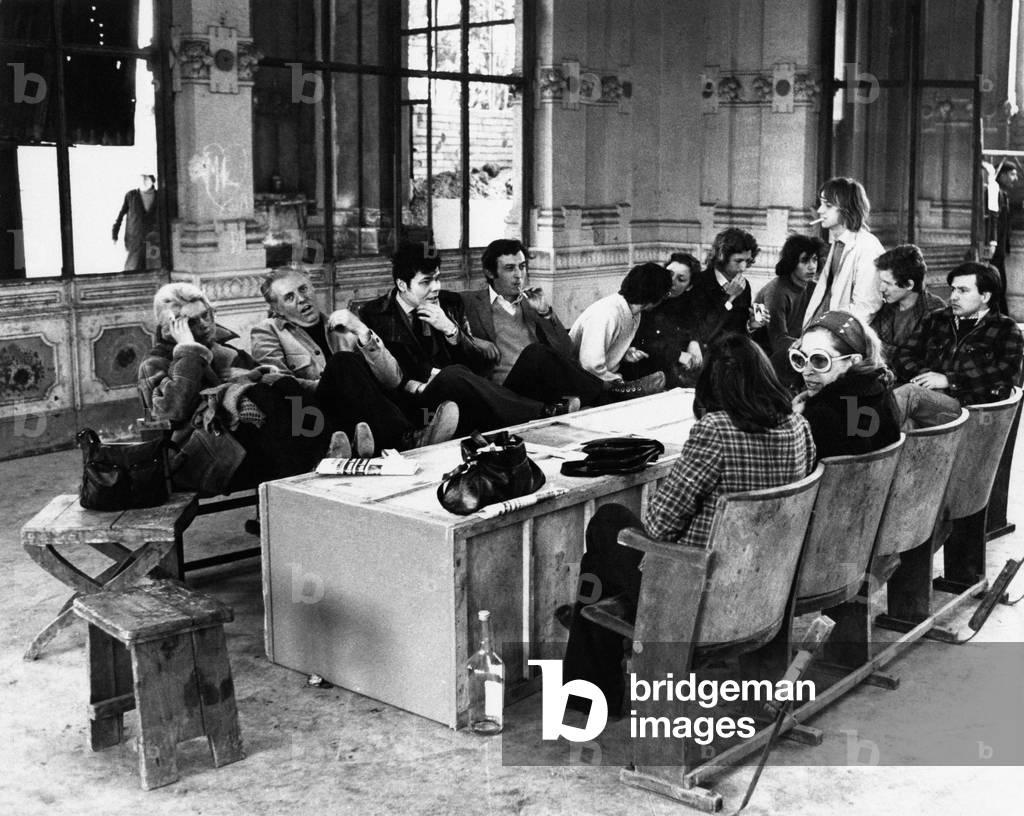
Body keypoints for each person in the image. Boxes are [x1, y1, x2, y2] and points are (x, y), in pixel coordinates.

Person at [560, 334, 817, 712]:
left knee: (608, 523)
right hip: (767, 588)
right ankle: (588, 661)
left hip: (699, 594)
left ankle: (593, 683)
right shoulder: (798, 427)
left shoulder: (715, 429)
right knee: (598, 565)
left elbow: (658, 526)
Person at [138, 282, 329, 496]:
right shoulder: (154, 364)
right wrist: (188, 351)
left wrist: (252, 375)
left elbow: (276, 385)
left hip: (251, 448)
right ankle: (318, 462)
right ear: (170, 328)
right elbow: (173, 410)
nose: (204, 325)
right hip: (203, 458)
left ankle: (318, 461)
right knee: (262, 396)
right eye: (191, 321)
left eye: (206, 315)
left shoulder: (225, 351)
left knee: (283, 385)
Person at [360, 242, 561, 434]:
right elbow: (383, 374)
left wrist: (451, 330)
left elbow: (477, 365)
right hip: (413, 401)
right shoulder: (375, 314)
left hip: (454, 394)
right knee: (451, 373)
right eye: (426, 282)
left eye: (437, 278)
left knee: (534, 354)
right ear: (402, 285)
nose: (436, 287)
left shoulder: (450, 303)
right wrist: (417, 386)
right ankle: (542, 413)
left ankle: (572, 403)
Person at [251, 267, 458, 452]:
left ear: (313, 290)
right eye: (289, 297)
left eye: (303, 289)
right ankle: (407, 438)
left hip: (358, 412)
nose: (301, 299)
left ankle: (399, 437)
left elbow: (392, 379)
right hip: (314, 415)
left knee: (360, 368)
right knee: (343, 362)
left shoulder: (342, 325)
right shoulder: (267, 332)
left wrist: (361, 330)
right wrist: (335, 383)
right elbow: (278, 383)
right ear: (277, 309)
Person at [460, 238, 604, 406]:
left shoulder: (532, 303)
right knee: (535, 353)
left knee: (540, 355)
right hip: (505, 392)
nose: (518, 275)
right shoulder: (469, 301)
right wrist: (472, 340)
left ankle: (604, 395)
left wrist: (545, 313)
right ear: (490, 273)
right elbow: (432, 314)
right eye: (509, 268)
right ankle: (608, 391)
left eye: (522, 266)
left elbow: (566, 353)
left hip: (540, 386)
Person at [893, 262, 1024, 428]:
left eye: (963, 290)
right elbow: (903, 355)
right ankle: (858, 442)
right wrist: (927, 378)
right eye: (953, 289)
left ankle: (857, 441)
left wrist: (950, 380)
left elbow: (1004, 375)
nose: (953, 296)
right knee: (904, 424)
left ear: (985, 296)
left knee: (910, 395)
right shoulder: (936, 318)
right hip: (930, 402)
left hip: (973, 412)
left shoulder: (1006, 328)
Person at [790, 311, 901, 460]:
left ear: (854, 360)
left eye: (820, 360)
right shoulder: (881, 392)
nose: (806, 371)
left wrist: (794, 419)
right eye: (800, 358)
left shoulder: (819, 415)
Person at [568, 262, 671, 398]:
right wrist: (619, 384)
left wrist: (624, 354)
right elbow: (590, 365)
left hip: (606, 379)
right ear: (655, 297)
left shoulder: (634, 313)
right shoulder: (607, 313)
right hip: (585, 382)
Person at [804, 177, 884, 326]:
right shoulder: (838, 242)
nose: (820, 210)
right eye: (821, 204)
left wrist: (826, 334)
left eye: (827, 205)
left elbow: (866, 308)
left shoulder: (868, 247)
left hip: (843, 339)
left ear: (847, 209)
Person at [624, 252, 704, 388]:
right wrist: (677, 355)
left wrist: (694, 341)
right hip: (644, 366)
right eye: (670, 274)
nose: (672, 282)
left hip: (675, 368)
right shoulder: (648, 300)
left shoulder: (689, 302)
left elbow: (697, 323)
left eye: (681, 279)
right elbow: (642, 341)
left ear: (689, 286)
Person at [869, 245, 945, 383]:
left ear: (909, 285)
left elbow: (923, 363)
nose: (881, 288)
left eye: (887, 283)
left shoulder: (935, 311)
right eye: (881, 281)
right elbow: (869, 343)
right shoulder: (886, 306)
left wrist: (884, 350)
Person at [688, 227, 770, 349]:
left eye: (747, 261)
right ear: (721, 255)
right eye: (738, 261)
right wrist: (729, 298)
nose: (743, 267)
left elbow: (739, 330)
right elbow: (704, 333)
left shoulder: (744, 285)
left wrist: (751, 326)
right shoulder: (699, 282)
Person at [755, 234, 826, 356]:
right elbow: (778, 341)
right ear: (792, 262)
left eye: (814, 259)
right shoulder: (775, 292)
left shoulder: (814, 288)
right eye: (804, 260)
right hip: (766, 357)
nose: (812, 266)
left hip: (797, 350)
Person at [112, 174, 159, 272]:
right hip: (134, 239)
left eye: (147, 178)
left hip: (154, 242)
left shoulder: (159, 196)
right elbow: (120, 215)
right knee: (132, 269)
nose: (144, 181)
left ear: (152, 180)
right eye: (142, 178)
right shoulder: (131, 195)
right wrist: (114, 234)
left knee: (152, 269)